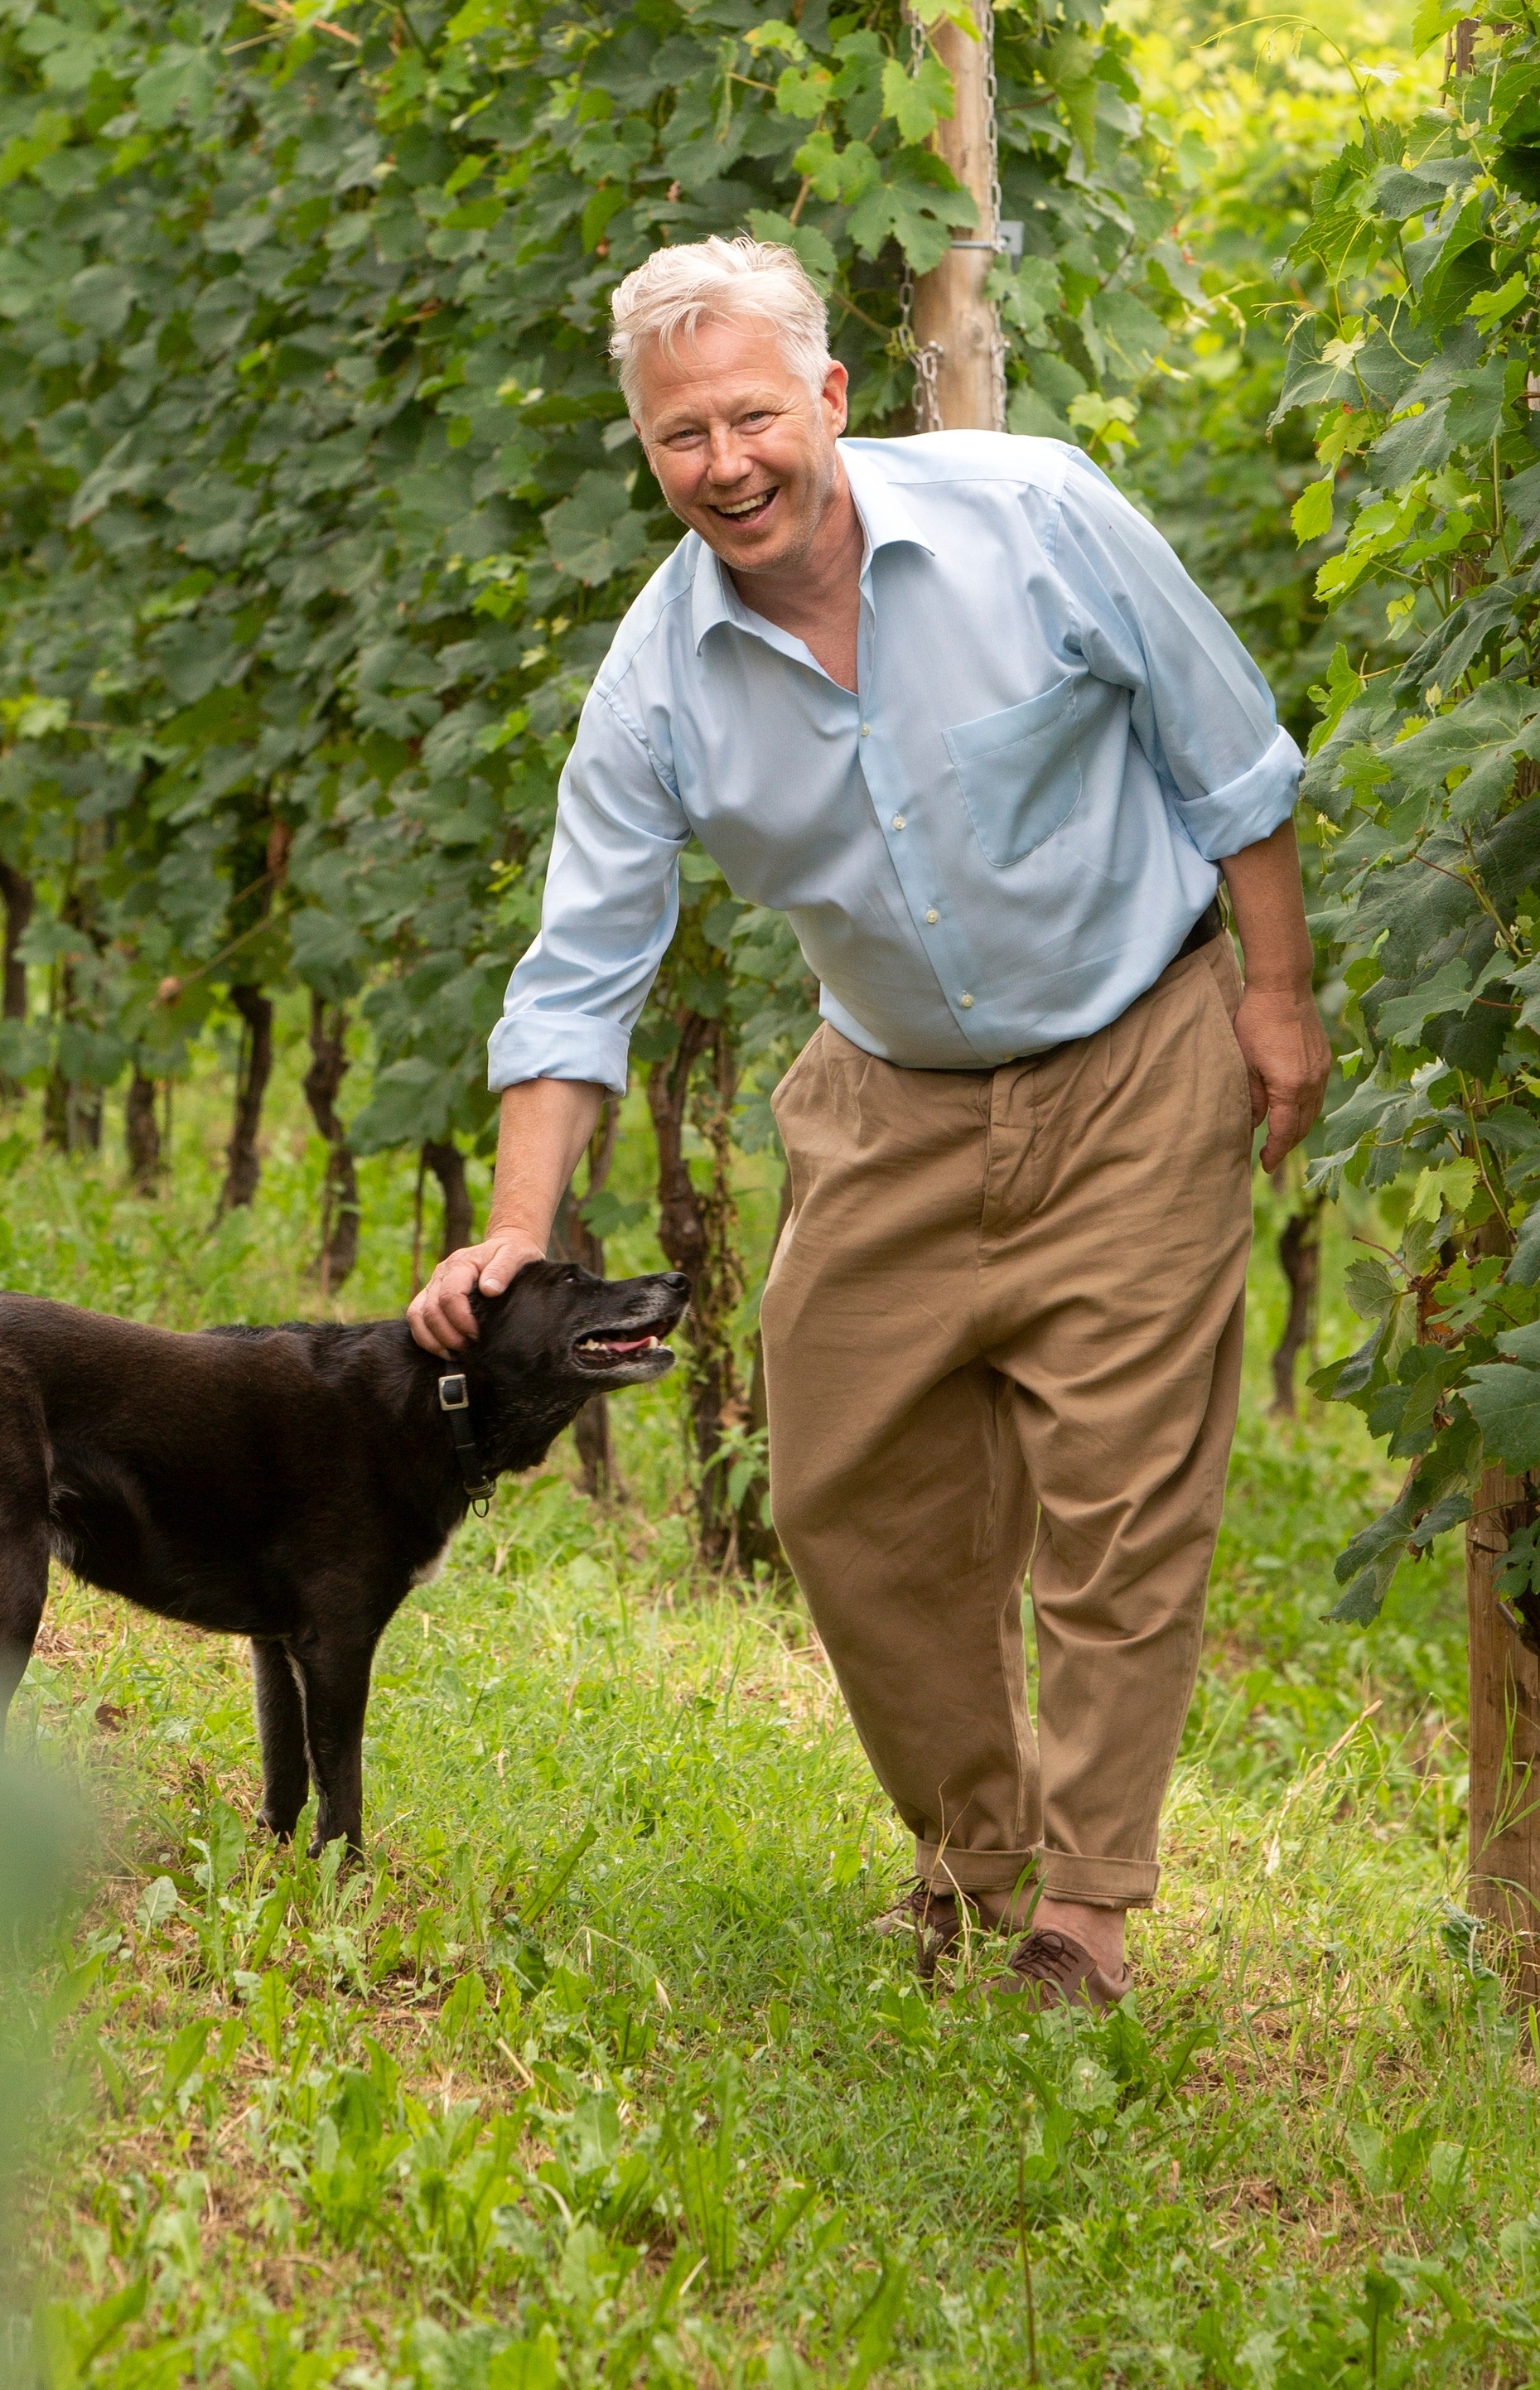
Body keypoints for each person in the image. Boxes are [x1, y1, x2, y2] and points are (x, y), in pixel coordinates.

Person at [409, 235, 1330, 2011]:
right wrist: (520, 1230)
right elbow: (580, 966)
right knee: (838, 1490)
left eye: (752, 413)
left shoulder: (1034, 515)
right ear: (646, 455)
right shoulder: (658, 680)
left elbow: (1231, 757)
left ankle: (1084, 1916)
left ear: (828, 399)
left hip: (1136, 1051)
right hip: (886, 1100)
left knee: (1118, 1505)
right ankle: (973, 1856)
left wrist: (1272, 1000)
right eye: (680, 437)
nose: (725, 463)